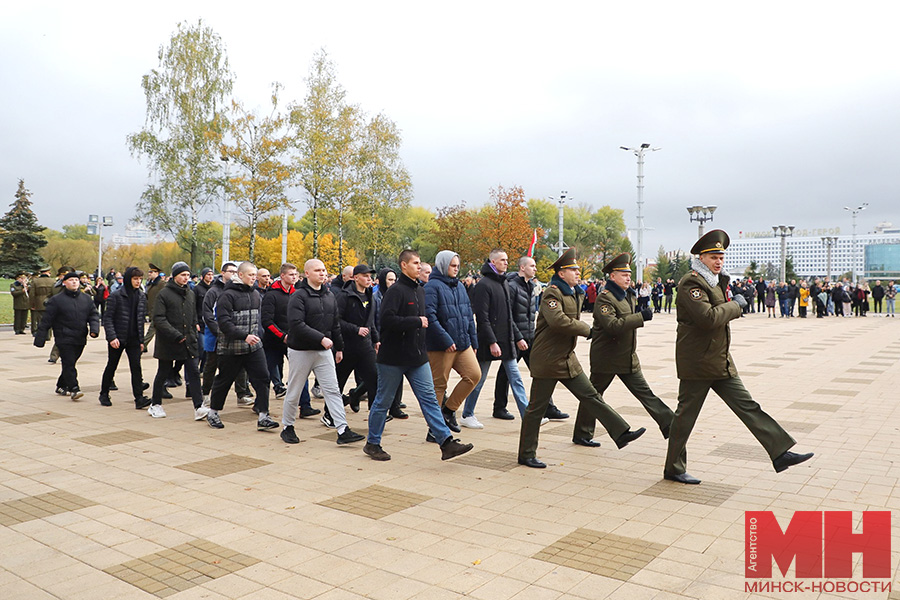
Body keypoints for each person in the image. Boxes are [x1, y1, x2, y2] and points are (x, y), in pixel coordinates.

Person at [664, 230, 813, 484]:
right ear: (701, 257)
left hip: (719, 360)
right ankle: (674, 468)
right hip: (698, 363)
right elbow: (708, 318)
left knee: (748, 406)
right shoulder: (692, 283)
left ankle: (780, 452)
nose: (719, 261)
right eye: (713, 257)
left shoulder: (715, 281)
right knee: (685, 417)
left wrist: (731, 303)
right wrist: (736, 305)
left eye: (721, 256)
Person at [517, 249, 646, 469]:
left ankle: (620, 433)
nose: (578, 273)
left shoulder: (574, 292)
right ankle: (526, 453)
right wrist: (588, 330)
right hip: (548, 360)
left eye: (578, 269)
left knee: (591, 396)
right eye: (573, 270)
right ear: (562, 272)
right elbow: (558, 322)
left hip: (567, 358)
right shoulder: (552, 293)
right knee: (536, 409)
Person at [363, 249, 474, 462]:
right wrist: (415, 321)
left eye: (420, 262)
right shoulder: (395, 291)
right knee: (383, 401)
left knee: (430, 399)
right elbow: (386, 321)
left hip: (417, 358)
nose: (419, 266)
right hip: (393, 359)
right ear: (403, 265)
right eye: (415, 263)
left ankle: (446, 442)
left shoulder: (420, 290)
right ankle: (373, 443)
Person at [574, 253, 674, 446]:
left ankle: (670, 424)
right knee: (594, 396)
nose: (628, 277)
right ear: (612, 277)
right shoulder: (605, 298)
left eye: (629, 274)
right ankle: (582, 433)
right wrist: (641, 317)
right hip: (607, 358)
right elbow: (612, 325)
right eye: (623, 274)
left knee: (645, 393)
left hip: (627, 356)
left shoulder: (628, 295)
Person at [280, 259, 365, 445]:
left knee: (333, 391)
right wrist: (321, 338)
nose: (322, 273)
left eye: (324, 270)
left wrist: (340, 347)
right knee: (294, 391)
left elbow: (335, 324)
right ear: (307, 274)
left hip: (324, 352)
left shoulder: (329, 295)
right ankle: (287, 426)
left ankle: (342, 429)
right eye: (317, 270)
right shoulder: (298, 296)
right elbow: (296, 324)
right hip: (301, 350)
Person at [206, 261, 278, 431]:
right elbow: (224, 323)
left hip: (254, 347)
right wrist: (244, 336)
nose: (254, 278)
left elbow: (258, 319)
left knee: (263, 378)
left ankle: (263, 416)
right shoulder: (227, 295)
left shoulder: (254, 294)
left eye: (255, 275)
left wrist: (258, 336)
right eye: (251, 275)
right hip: (232, 347)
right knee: (224, 380)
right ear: (240, 275)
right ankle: (213, 412)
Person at [495, 256, 568, 422]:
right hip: (516, 338)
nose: (535, 269)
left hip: (530, 337)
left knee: (541, 371)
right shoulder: (512, 287)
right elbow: (508, 316)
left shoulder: (532, 286)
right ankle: (499, 407)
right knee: (505, 373)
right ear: (522, 267)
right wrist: (518, 337)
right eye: (532, 266)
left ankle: (548, 407)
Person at [462, 248, 530, 427]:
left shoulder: (504, 283)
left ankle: (528, 415)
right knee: (479, 379)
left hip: (506, 341)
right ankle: (467, 414)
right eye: (502, 260)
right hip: (489, 341)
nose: (506, 263)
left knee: (515, 378)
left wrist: (518, 337)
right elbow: (482, 318)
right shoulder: (484, 285)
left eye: (507, 260)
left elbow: (508, 316)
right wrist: (492, 342)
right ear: (493, 263)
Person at [425, 250, 480, 433]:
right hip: (441, 346)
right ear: (443, 265)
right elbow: (429, 316)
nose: (456, 269)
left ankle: (448, 411)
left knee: (474, 375)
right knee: (439, 385)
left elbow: (468, 315)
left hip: (463, 343)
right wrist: (445, 339)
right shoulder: (432, 287)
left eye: (458, 265)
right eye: (453, 265)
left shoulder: (460, 286)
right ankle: (435, 429)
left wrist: (474, 342)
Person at [147, 262, 208, 419]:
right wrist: (175, 334)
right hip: (169, 341)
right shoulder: (164, 294)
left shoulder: (190, 293)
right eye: (182, 275)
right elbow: (159, 319)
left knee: (194, 371)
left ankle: (198, 406)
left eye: (187, 275)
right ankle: (155, 404)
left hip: (188, 340)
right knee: (163, 372)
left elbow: (193, 314)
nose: (186, 278)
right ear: (174, 276)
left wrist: (194, 329)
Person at [34, 271, 100, 399]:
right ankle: (74, 388)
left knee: (71, 363)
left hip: (80, 336)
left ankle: (61, 385)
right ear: (64, 283)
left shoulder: (86, 299)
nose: (74, 282)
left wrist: (94, 329)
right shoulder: (57, 300)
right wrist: (40, 338)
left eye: (76, 280)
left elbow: (93, 315)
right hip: (63, 337)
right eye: (71, 280)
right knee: (69, 363)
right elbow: (47, 319)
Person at [202, 262, 253, 406]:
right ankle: (205, 393)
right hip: (215, 335)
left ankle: (241, 394)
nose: (233, 274)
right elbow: (207, 314)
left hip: (235, 335)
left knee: (240, 364)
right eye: (230, 271)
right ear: (223, 273)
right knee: (211, 365)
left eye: (235, 271)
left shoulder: (239, 291)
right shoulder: (213, 292)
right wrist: (219, 331)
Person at [100, 266, 151, 409]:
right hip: (118, 337)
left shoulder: (141, 295)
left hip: (134, 339)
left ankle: (139, 398)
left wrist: (141, 341)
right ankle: (104, 393)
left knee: (136, 367)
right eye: (135, 279)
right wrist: (112, 337)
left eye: (140, 279)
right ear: (129, 279)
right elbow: (107, 318)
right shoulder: (116, 295)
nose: (138, 281)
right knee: (112, 365)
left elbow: (140, 320)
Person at [333, 264, 380, 416]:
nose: (369, 279)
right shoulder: (344, 295)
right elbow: (336, 321)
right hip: (347, 346)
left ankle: (375, 415)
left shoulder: (369, 295)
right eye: (365, 276)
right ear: (355, 277)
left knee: (375, 379)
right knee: (338, 382)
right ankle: (330, 413)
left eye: (370, 276)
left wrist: (376, 339)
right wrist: (356, 329)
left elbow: (370, 321)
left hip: (365, 346)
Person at [142, 263, 165, 351]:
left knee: (152, 329)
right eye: (149, 272)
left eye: (151, 272)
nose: (149, 273)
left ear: (157, 273)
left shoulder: (161, 283)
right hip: (152, 310)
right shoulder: (151, 284)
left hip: (158, 311)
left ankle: (143, 345)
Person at [30, 266, 54, 337]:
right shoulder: (53, 281)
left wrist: (32, 304)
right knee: (49, 319)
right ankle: (48, 335)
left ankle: (42, 335)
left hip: (39, 302)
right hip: (50, 301)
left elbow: (32, 294)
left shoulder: (35, 281)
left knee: (40, 320)